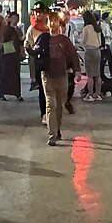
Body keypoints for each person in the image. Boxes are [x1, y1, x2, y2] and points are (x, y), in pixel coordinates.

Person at [34, 14, 82, 146]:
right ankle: (52, 134)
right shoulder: (43, 38)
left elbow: (73, 54)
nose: (53, 24)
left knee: (59, 105)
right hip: (47, 76)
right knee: (51, 104)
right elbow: (35, 53)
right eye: (50, 21)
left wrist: (77, 70)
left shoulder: (64, 40)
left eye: (55, 21)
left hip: (62, 75)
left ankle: (57, 129)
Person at [0, 11, 25, 101]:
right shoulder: (6, 28)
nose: (15, 20)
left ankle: (17, 93)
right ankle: (2, 93)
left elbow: (20, 41)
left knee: (15, 74)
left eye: (16, 18)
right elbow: (2, 39)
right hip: (6, 53)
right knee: (5, 73)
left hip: (15, 54)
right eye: (13, 18)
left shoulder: (17, 29)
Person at [80, 9, 105, 101]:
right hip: (97, 51)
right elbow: (101, 41)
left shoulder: (86, 28)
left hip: (89, 51)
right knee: (98, 74)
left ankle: (90, 95)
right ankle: (97, 94)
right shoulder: (97, 28)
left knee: (90, 75)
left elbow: (83, 40)